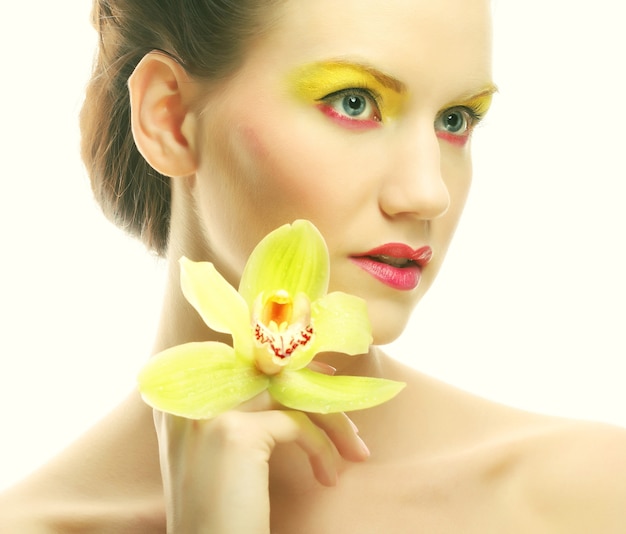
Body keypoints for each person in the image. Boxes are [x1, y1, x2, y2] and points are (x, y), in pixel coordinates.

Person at [1, 0, 625, 531]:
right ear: (167, 119)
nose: (428, 193)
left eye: (456, 120)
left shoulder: (588, 498)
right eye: (354, 102)